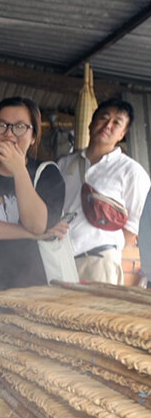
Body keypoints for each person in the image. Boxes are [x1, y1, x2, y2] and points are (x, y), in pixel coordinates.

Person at [0, 97, 67, 386]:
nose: (10, 134)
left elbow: (38, 222)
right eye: (2, 125)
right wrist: (29, 234)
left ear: (33, 136)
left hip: (31, 294)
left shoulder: (47, 173)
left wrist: (20, 170)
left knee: (26, 378)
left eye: (20, 127)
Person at [57, 98, 151, 284]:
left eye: (116, 123)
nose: (108, 125)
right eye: (104, 118)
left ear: (123, 133)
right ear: (91, 122)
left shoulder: (131, 171)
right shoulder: (64, 163)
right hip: (60, 259)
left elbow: (135, 225)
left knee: (93, 313)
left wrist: (105, 249)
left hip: (98, 263)